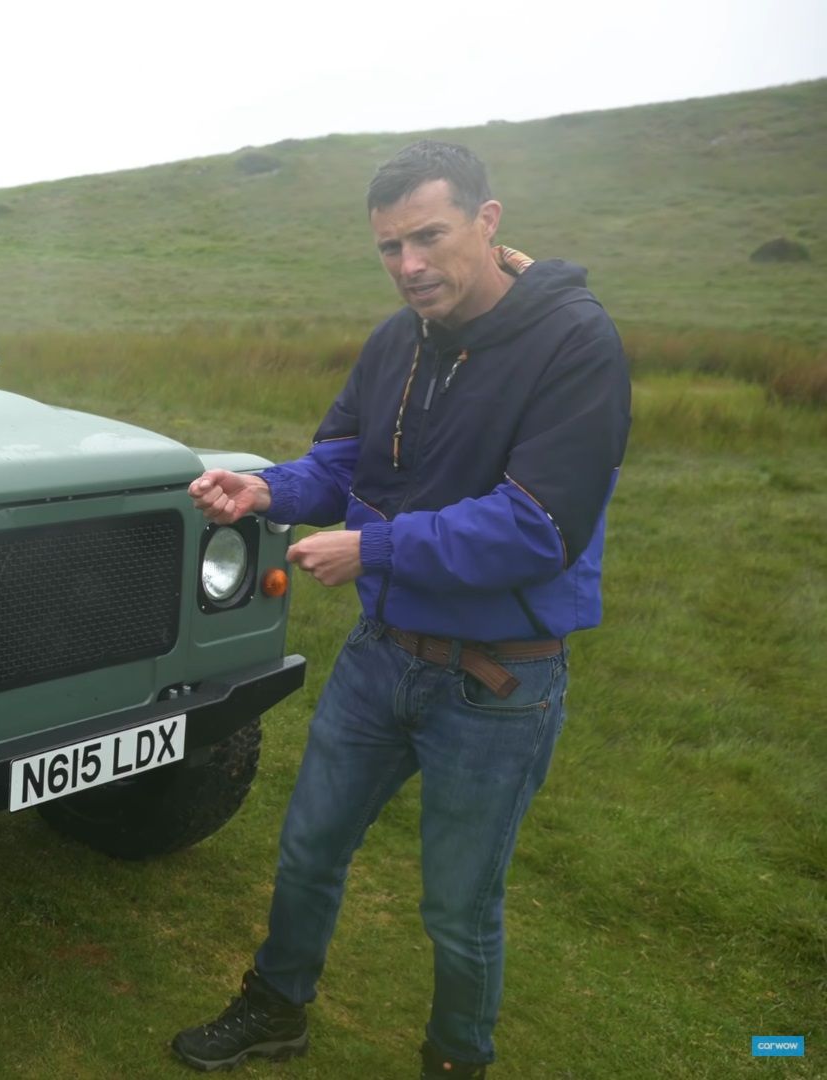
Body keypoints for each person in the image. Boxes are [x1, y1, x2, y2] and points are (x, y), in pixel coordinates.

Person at [174, 141, 631, 1078]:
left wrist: (371, 547)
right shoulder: (398, 341)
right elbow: (344, 463)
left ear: (488, 222)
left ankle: (457, 1060)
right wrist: (267, 491)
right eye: (390, 247)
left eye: (428, 236)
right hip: (383, 655)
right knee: (308, 850)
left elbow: (536, 527)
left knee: (459, 907)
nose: (410, 265)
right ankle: (277, 1011)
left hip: (498, 679)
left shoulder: (576, 345)